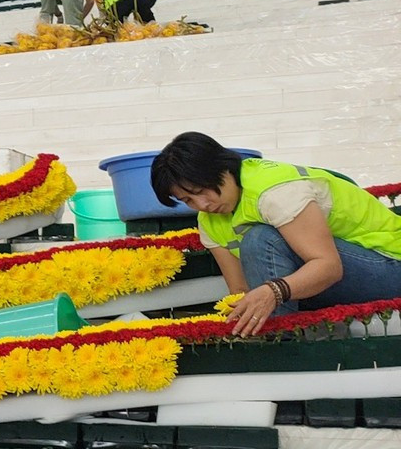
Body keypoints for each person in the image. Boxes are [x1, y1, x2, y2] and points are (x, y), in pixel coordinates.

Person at [150, 132, 401, 336]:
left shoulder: (274, 191)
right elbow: (240, 289)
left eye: (202, 190)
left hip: (390, 265)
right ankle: (275, 344)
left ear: (223, 169)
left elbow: (329, 267)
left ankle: (280, 346)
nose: (202, 204)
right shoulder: (209, 221)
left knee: (261, 239)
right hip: (334, 283)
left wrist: (274, 291)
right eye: (188, 200)